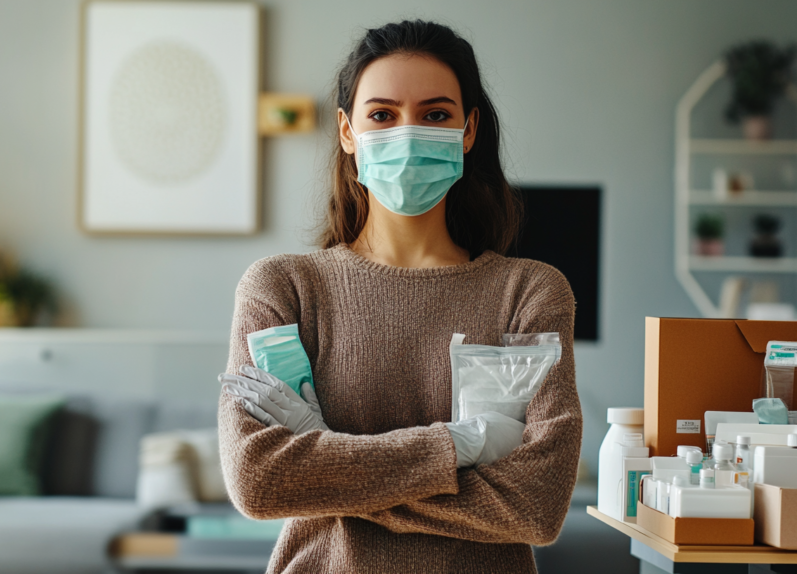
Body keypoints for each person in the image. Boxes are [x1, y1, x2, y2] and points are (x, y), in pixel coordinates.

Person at [217, 20, 582, 574]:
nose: (408, 134)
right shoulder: (282, 288)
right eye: (382, 115)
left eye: (435, 115)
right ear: (346, 131)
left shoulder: (529, 292)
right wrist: (459, 446)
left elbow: (536, 505)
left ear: (468, 130)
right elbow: (259, 481)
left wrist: (322, 452)